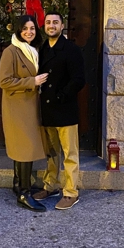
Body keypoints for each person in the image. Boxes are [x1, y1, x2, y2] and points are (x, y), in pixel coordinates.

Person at [32, 11, 85, 210]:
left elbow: (79, 79)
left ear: (62, 26)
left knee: (69, 153)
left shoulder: (71, 49)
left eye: (55, 22)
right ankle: (50, 185)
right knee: (51, 153)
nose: (51, 25)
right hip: (47, 110)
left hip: (65, 109)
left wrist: (62, 95)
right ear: (44, 26)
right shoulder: (42, 49)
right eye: (48, 22)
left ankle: (70, 192)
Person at [0, 14, 49, 212]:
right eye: (25, 28)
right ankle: (24, 194)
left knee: (23, 147)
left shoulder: (33, 50)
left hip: (30, 106)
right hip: (17, 108)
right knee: (25, 148)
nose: (29, 32)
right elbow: (4, 81)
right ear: (18, 31)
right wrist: (32, 82)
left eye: (33, 28)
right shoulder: (11, 52)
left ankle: (18, 184)